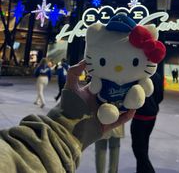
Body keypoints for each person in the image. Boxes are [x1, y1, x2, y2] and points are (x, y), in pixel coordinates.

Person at [0, 60, 135, 172]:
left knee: (106, 148)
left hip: (97, 119)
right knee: (110, 147)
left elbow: (14, 159)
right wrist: (67, 127)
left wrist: (66, 124)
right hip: (97, 120)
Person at [131, 71, 164, 173]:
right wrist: (153, 105)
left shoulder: (138, 75)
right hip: (152, 116)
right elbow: (160, 97)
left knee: (138, 149)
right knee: (144, 146)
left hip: (140, 116)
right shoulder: (157, 76)